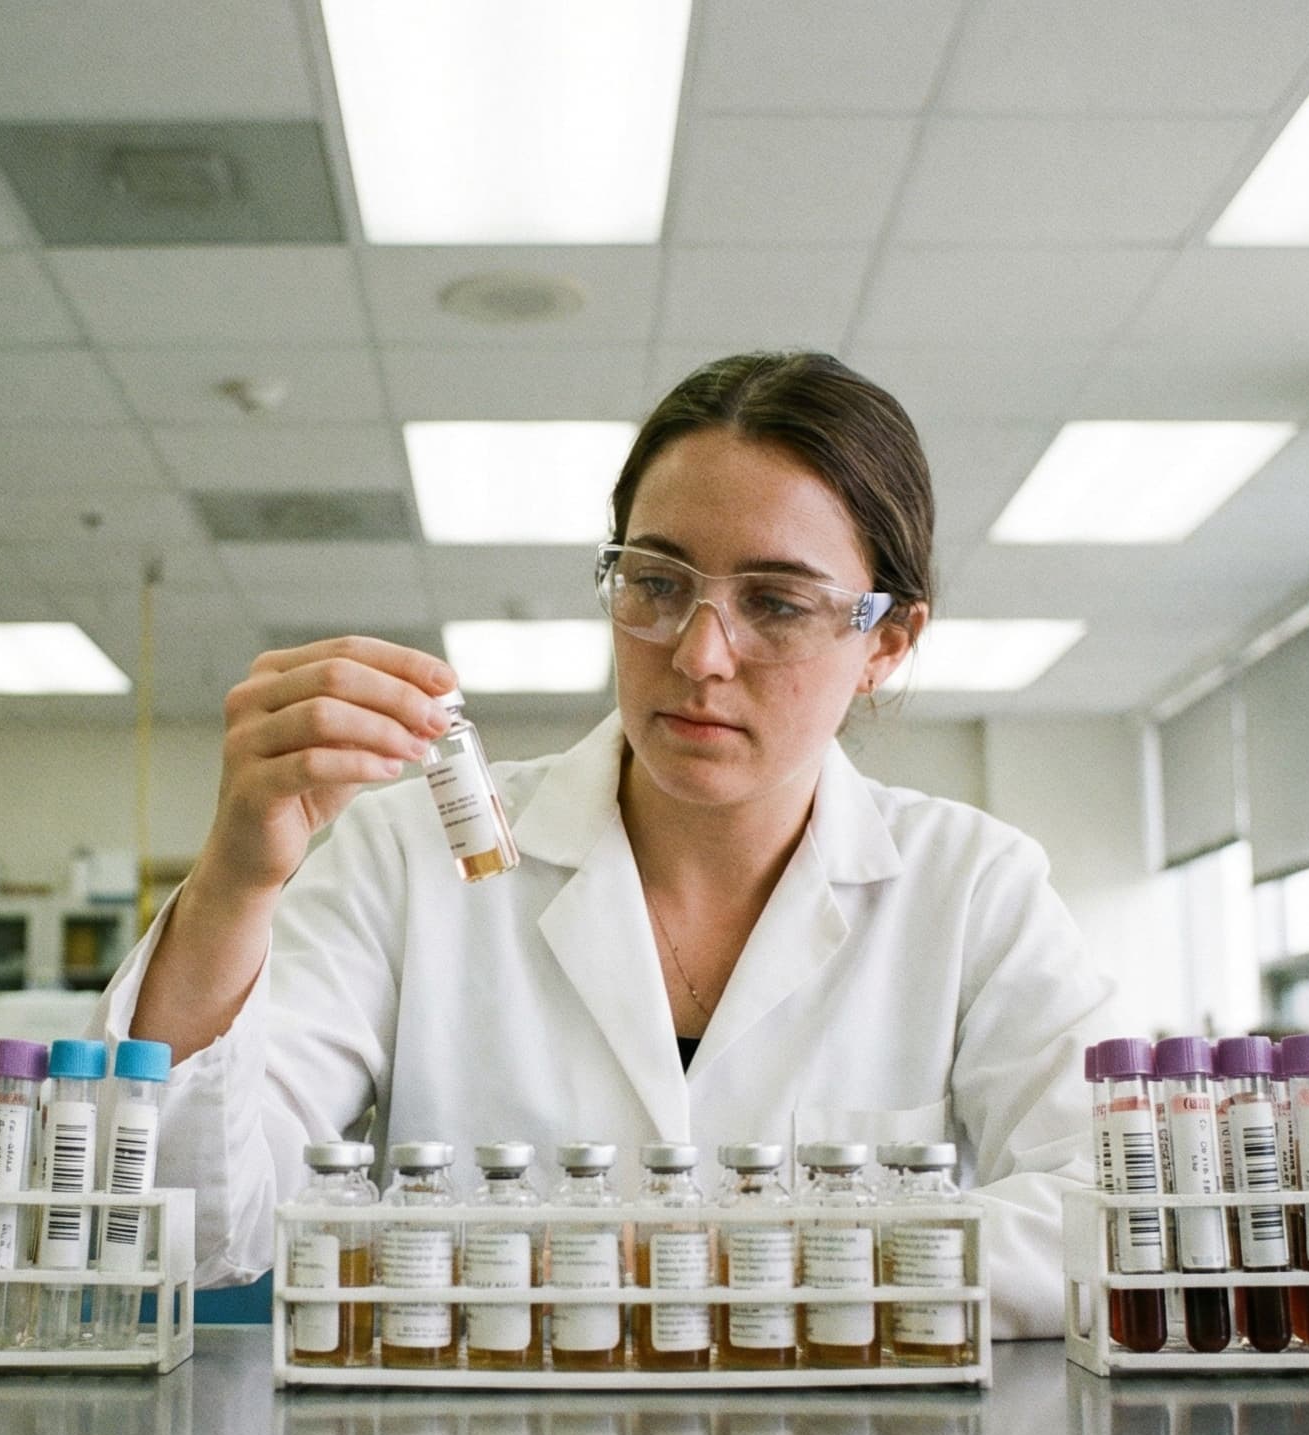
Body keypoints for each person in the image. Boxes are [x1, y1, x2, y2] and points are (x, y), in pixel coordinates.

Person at [99, 351, 1117, 1337]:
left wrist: (720, 1259)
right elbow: (194, 1229)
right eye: (658, 582)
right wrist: (236, 881)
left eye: (774, 603)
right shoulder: (409, 855)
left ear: (884, 645)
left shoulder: (972, 887)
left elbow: (1101, 1214)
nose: (699, 653)